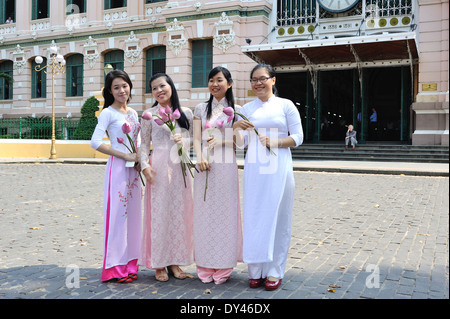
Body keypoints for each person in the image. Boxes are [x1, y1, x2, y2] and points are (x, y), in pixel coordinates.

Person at [233, 64, 303, 291]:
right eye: (254, 79)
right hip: (254, 168)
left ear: (273, 80)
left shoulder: (286, 105)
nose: (258, 83)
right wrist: (236, 127)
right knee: (254, 216)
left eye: (262, 78)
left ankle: (274, 270)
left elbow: (299, 137)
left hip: (279, 166)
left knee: (279, 217)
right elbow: (241, 143)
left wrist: (276, 142)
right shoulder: (246, 108)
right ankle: (256, 270)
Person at [139, 73, 194, 282]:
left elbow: (194, 142)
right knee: (159, 214)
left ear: (171, 86)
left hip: (180, 167)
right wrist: (144, 166)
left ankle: (175, 261)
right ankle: (159, 262)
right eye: (154, 88)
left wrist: (184, 141)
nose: (159, 90)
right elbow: (143, 144)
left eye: (162, 85)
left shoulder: (185, 112)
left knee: (178, 214)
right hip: (158, 167)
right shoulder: (149, 115)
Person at [90, 70, 142, 283]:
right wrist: (124, 155)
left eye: (124, 86)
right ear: (110, 92)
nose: (122, 91)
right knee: (118, 217)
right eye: (116, 87)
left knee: (134, 217)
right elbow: (95, 142)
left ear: (130, 87)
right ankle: (115, 267)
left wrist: (139, 159)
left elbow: (137, 141)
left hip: (134, 170)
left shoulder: (134, 113)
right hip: (118, 169)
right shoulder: (107, 113)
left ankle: (130, 264)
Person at [192, 67, 243, 285]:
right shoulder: (200, 109)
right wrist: (200, 157)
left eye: (219, 80)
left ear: (229, 83)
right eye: (211, 80)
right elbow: (195, 138)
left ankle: (223, 264)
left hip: (225, 167)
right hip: (204, 166)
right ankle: (204, 264)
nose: (215, 84)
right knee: (204, 214)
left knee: (225, 215)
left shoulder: (236, 109)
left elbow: (240, 143)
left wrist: (225, 138)